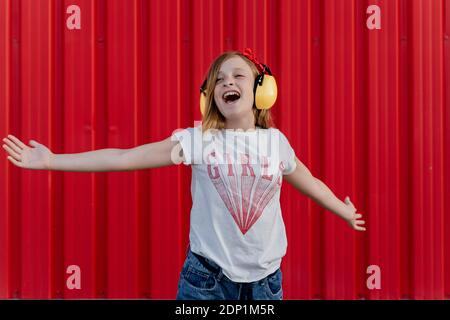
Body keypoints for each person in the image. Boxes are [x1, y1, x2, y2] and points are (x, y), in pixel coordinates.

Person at [2, 49, 365, 300]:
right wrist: (52, 161)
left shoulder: (276, 143)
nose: (227, 82)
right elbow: (126, 157)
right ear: (210, 96)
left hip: (266, 283)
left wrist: (343, 210)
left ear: (261, 91)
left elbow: (310, 183)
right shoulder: (197, 141)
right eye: (219, 79)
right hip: (206, 280)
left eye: (238, 75)